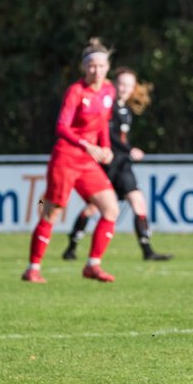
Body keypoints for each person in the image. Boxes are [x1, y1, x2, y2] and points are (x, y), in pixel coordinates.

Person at [21, 38, 122, 284]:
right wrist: (87, 145)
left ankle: (92, 265)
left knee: (111, 209)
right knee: (51, 212)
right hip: (65, 159)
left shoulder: (109, 91)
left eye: (101, 66)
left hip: (88, 162)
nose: (96, 71)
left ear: (107, 68)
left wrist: (106, 147)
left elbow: (102, 125)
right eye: (91, 66)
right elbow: (62, 126)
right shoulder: (76, 91)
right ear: (84, 68)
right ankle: (33, 268)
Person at [61, 66, 172, 262]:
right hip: (107, 164)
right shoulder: (106, 106)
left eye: (129, 85)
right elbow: (107, 136)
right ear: (114, 84)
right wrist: (128, 150)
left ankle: (147, 251)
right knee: (94, 208)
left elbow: (120, 139)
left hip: (123, 165)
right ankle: (71, 246)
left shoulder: (125, 109)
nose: (125, 88)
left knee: (138, 202)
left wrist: (128, 150)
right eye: (121, 84)